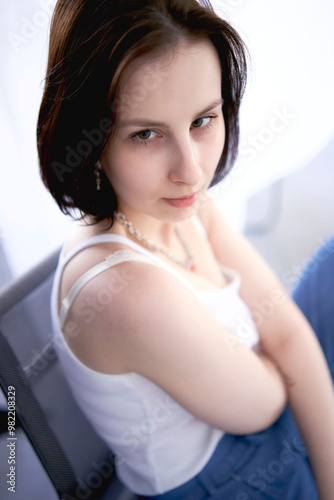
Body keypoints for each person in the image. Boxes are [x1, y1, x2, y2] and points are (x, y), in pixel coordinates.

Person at [37, 0, 334, 498]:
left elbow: (286, 337)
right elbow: (266, 401)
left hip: (257, 410)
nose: (192, 170)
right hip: (232, 473)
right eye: (146, 134)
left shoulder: (175, 201)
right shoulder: (123, 291)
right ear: (90, 140)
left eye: (202, 120)